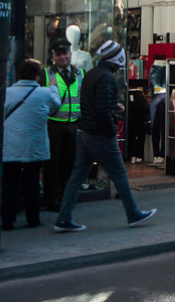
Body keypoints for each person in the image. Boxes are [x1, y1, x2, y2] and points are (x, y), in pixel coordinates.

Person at [54, 41, 156, 232]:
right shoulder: (107, 78)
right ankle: (133, 213)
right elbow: (100, 110)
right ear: (116, 58)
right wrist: (111, 130)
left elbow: (92, 103)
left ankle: (63, 217)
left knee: (76, 177)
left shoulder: (91, 74)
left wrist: (112, 106)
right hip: (99, 134)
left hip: (84, 132)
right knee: (119, 173)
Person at [0, 59, 61, 230]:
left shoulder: (7, 93)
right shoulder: (45, 93)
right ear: (37, 76)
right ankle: (33, 219)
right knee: (32, 183)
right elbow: (57, 104)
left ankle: (7, 220)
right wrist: (54, 86)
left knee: (9, 184)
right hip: (34, 147)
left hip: (10, 147)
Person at [42, 38, 84, 212]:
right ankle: (53, 198)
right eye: (58, 54)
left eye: (65, 53)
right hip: (53, 124)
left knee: (71, 162)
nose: (63, 57)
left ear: (70, 53)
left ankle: (67, 196)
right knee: (52, 163)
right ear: (53, 56)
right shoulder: (46, 74)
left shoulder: (80, 73)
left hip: (74, 124)